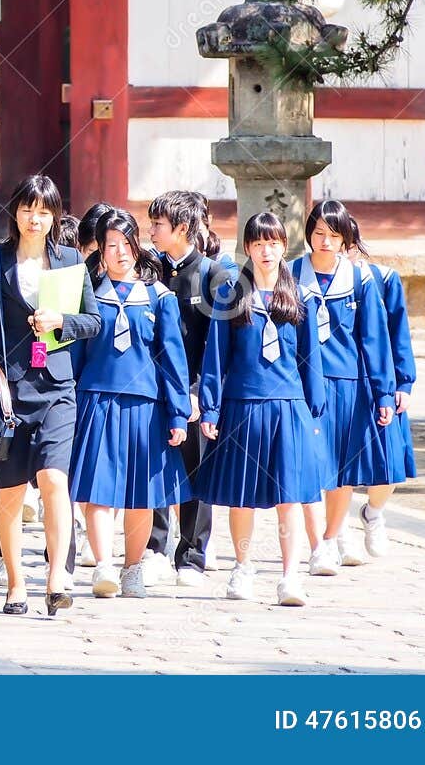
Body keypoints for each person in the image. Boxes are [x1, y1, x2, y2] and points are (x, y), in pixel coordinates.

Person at [0, 173, 98, 616]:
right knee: (11, 490)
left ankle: (57, 575)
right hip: (8, 392)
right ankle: (15, 582)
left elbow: (92, 321)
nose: (34, 219)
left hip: (57, 387)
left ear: (54, 214)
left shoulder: (71, 260)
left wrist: (61, 322)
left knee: (54, 479)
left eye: (43, 211)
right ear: (15, 212)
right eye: (26, 209)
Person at [194, 211, 327, 607]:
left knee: (290, 495)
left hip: (288, 407)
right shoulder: (231, 295)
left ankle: (289, 577)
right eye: (257, 243)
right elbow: (215, 356)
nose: (266, 251)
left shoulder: (300, 296)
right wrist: (211, 409)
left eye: (273, 243)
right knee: (242, 495)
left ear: (284, 246)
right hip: (243, 405)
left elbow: (311, 357)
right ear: (247, 248)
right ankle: (243, 565)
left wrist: (313, 406)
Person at [71, 209, 191, 602]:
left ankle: (133, 568)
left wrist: (177, 412)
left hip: (146, 408)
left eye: (126, 244)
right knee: (100, 490)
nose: (119, 253)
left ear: (136, 247)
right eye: (111, 246)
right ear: (100, 252)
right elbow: (73, 355)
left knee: (141, 494)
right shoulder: (86, 294)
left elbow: (173, 359)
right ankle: (103, 565)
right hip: (97, 400)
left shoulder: (159, 297)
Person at [292, 199, 394, 575]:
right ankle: (316, 540)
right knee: (305, 467)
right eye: (319, 233)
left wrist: (383, 391)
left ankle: (330, 540)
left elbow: (374, 338)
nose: (325, 242)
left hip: (348, 386)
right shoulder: (291, 273)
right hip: (301, 385)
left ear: (345, 239)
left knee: (340, 471)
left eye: (333, 236)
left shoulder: (359, 279)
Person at [145, 190, 234, 586]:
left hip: (195, 391)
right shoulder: (151, 272)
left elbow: (216, 347)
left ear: (182, 229)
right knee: (157, 469)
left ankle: (193, 554)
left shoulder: (215, 276)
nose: (151, 232)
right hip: (156, 388)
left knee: (198, 472)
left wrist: (201, 393)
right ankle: (154, 547)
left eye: (158, 225)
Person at [345, 210, 416, 556]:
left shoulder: (383, 279)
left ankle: (372, 512)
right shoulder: (310, 279)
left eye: (343, 240)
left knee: (388, 463)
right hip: (338, 381)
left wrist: (403, 383)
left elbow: (399, 335)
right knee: (336, 461)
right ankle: (336, 531)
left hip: (381, 382)